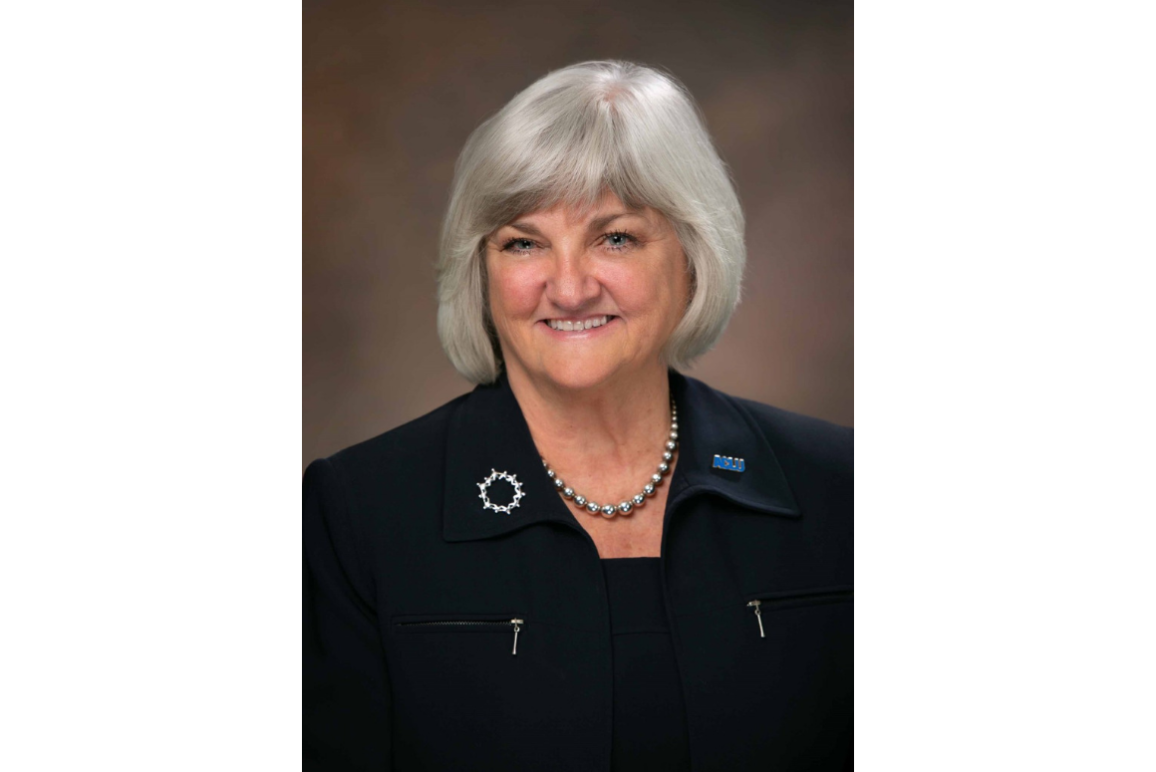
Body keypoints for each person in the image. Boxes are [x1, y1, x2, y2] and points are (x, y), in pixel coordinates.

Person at [304, 60, 852, 771]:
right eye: (523, 242)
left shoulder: (842, 489)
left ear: (692, 256)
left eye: (615, 237)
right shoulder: (356, 514)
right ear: (481, 271)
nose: (568, 287)